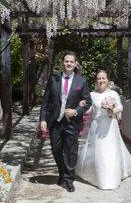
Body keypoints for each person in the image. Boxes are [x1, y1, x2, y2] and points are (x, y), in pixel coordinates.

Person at [76, 70, 131, 190]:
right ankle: (97, 175)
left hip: (110, 125)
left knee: (111, 151)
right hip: (96, 125)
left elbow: (120, 106)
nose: (101, 81)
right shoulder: (92, 94)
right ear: (96, 81)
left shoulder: (114, 93)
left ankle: (111, 177)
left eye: (103, 78)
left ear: (108, 80)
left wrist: (113, 110)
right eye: (99, 78)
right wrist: (82, 104)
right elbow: (89, 110)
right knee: (98, 150)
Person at [39, 51, 92, 192]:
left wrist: (75, 111)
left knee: (71, 151)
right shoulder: (53, 79)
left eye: (71, 62)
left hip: (72, 122)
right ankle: (62, 172)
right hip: (55, 121)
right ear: (63, 63)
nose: (69, 64)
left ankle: (69, 179)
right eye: (66, 61)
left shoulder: (82, 81)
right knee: (56, 150)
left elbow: (88, 102)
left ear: (75, 64)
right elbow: (45, 101)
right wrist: (42, 119)